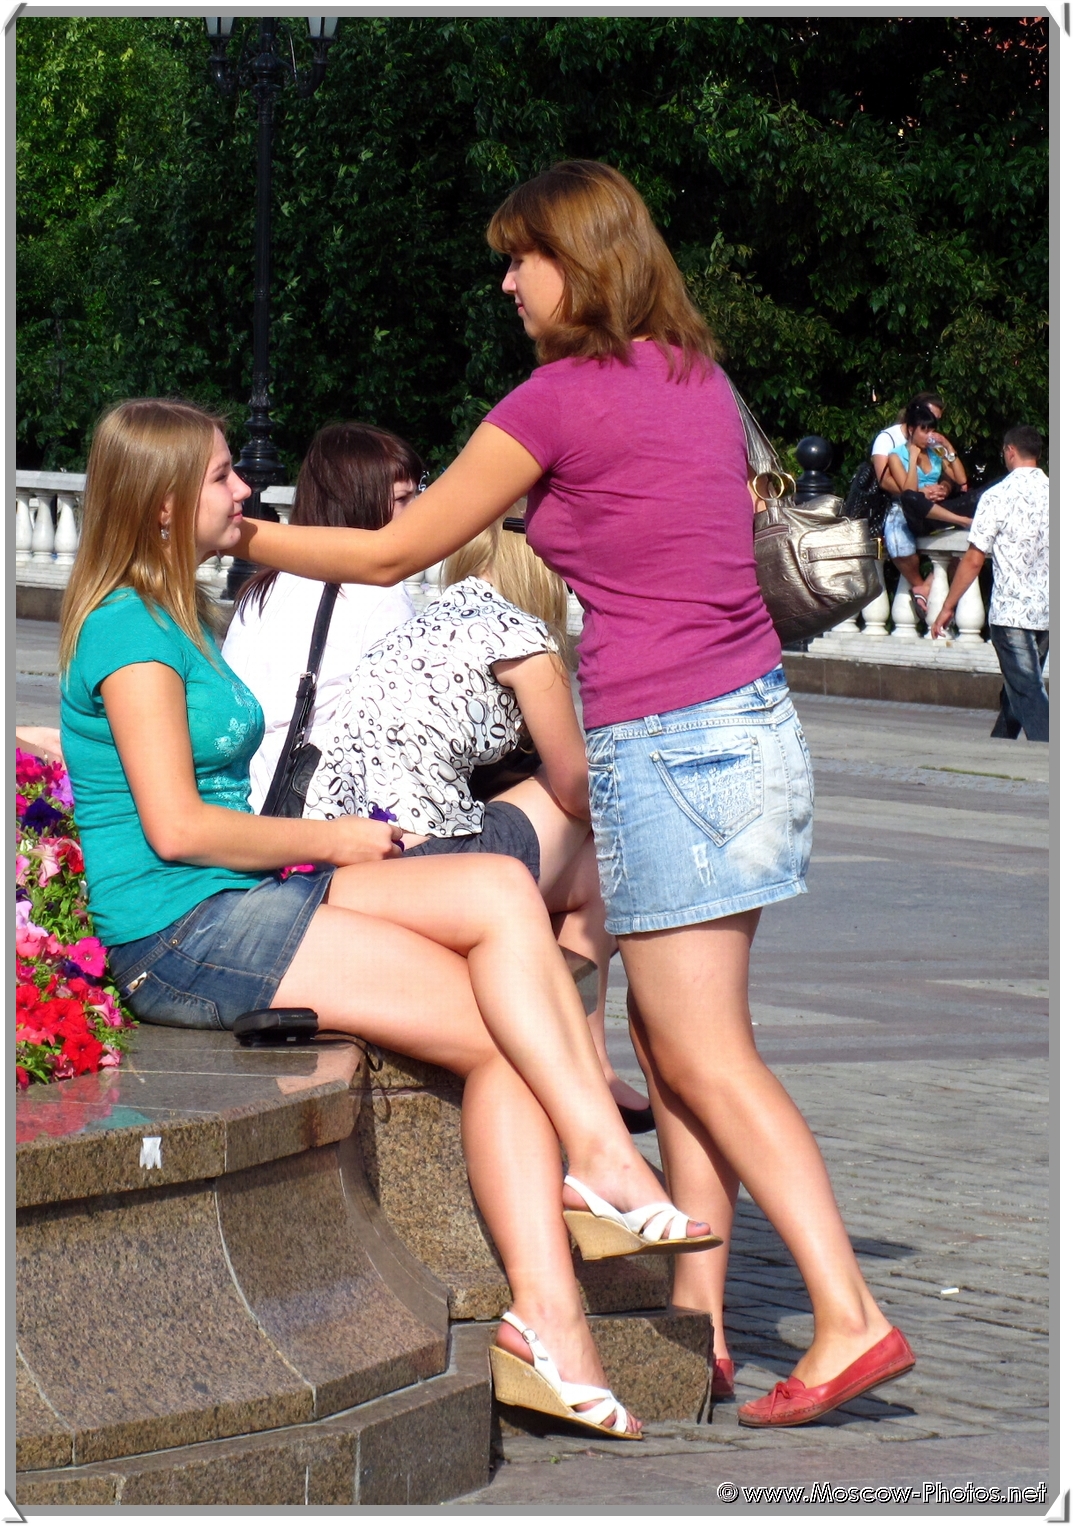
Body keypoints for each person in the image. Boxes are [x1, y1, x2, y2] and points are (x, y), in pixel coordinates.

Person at [235, 160, 914, 1427]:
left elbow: (392, 547)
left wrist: (238, 539)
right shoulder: (694, 379)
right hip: (753, 731)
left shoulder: (559, 399)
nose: (504, 280)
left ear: (578, 262)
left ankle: (845, 1313)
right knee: (674, 1045)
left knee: (702, 1052)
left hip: (670, 742)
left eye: (520, 257)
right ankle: (702, 1319)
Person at [57, 397, 718, 1442]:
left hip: (241, 895)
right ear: (161, 507)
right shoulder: (130, 633)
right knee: (511, 1035)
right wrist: (334, 838)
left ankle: (585, 1188)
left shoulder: (173, 608)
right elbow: (178, 828)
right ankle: (552, 1316)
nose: (247, 489)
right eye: (224, 475)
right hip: (182, 933)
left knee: (500, 896)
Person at [305, 507, 651, 1121]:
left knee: (596, 869)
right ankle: (592, 1060)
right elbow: (575, 790)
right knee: (606, 855)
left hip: (359, 855)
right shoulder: (522, 637)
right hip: (436, 860)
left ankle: (589, 1057)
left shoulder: (422, 622)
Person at [221, 423, 419, 811]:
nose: (416, 515)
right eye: (402, 499)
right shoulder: (378, 594)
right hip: (313, 823)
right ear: (358, 500)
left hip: (243, 806)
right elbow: (399, 732)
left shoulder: (263, 587)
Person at [931, 425, 1048, 741]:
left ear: (1010, 451)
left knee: (1028, 689)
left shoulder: (998, 496)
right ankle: (1000, 747)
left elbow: (973, 558)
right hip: (1048, 610)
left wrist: (947, 606)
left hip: (1012, 612)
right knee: (1021, 685)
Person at [874, 395, 970, 622]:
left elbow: (961, 479)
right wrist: (914, 458)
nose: (929, 436)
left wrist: (948, 447)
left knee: (976, 497)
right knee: (911, 504)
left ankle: (927, 586)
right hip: (913, 508)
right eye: (923, 430)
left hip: (938, 507)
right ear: (911, 430)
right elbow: (907, 493)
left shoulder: (936, 453)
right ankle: (960, 520)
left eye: (931, 430)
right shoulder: (897, 455)